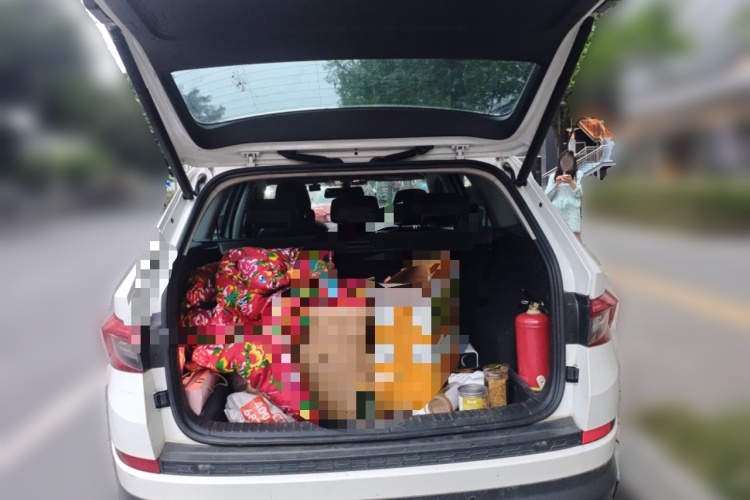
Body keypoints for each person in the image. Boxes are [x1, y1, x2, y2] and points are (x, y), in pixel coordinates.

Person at [545, 150, 583, 240]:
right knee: (558, 235)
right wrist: (556, 183)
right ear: (560, 162)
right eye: (563, 161)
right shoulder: (553, 176)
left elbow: (580, 194)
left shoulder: (578, 174)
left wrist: (571, 183)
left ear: (573, 163)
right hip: (557, 210)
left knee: (575, 235)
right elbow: (547, 195)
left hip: (573, 210)